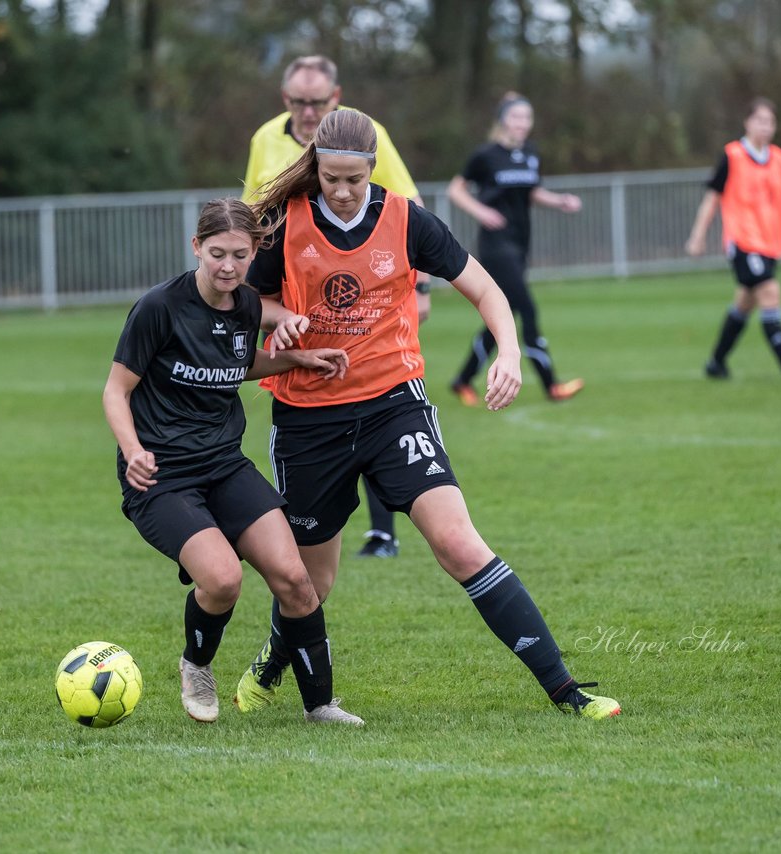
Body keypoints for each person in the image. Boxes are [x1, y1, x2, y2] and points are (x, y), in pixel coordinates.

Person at [232, 109, 621, 721]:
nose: (339, 190)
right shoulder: (286, 224)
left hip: (394, 407)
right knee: (311, 585)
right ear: (315, 167)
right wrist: (283, 326)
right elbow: (247, 303)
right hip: (310, 418)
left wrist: (510, 353)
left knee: (460, 546)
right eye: (329, 177)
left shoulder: (407, 220)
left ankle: (568, 692)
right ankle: (271, 665)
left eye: (352, 180)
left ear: (371, 169)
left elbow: (488, 291)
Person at [102, 197, 363, 726]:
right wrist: (133, 452)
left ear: (254, 252)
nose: (227, 266)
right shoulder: (160, 307)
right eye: (216, 253)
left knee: (294, 578)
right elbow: (115, 390)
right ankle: (196, 665)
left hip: (223, 464)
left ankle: (320, 706)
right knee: (222, 580)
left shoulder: (245, 305)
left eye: (239, 255)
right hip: (162, 476)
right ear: (196, 247)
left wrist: (295, 357)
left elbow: (236, 363)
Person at [243, 54, 430, 560]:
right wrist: (260, 307)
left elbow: (405, 210)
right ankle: (313, 531)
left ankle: (383, 529)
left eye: (317, 102)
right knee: (318, 414)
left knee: (377, 392)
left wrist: (422, 290)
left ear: (336, 97)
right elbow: (253, 224)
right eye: (298, 102)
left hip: (365, 302)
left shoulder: (369, 135)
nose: (307, 111)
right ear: (286, 100)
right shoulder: (266, 139)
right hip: (293, 306)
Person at [448, 93, 585, 405]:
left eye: (527, 118)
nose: (523, 124)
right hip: (496, 246)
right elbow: (455, 189)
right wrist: (480, 211)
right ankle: (552, 385)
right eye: (517, 117)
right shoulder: (485, 155)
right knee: (527, 310)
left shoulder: (531, 153)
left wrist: (559, 201)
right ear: (503, 120)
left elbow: (533, 191)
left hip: (521, 242)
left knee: (500, 316)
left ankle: (462, 379)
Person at [685, 96, 781, 381]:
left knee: (745, 303)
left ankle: (716, 363)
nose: (765, 127)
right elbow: (712, 199)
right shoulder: (733, 155)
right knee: (770, 292)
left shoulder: (779, 159)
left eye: (770, 122)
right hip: (743, 241)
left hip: (770, 242)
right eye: (760, 120)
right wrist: (697, 236)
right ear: (747, 122)